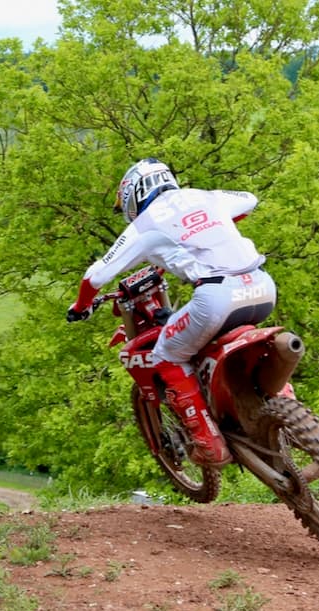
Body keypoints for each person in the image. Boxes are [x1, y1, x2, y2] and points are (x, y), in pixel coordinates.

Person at [66, 158, 277, 468]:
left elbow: (95, 276)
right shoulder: (206, 196)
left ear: (133, 196)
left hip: (218, 296)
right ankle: (281, 403)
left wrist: (81, 306)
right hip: (262, 287)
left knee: (165, 353)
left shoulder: (144, 224)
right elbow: (249, 200)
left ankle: (209, 444)